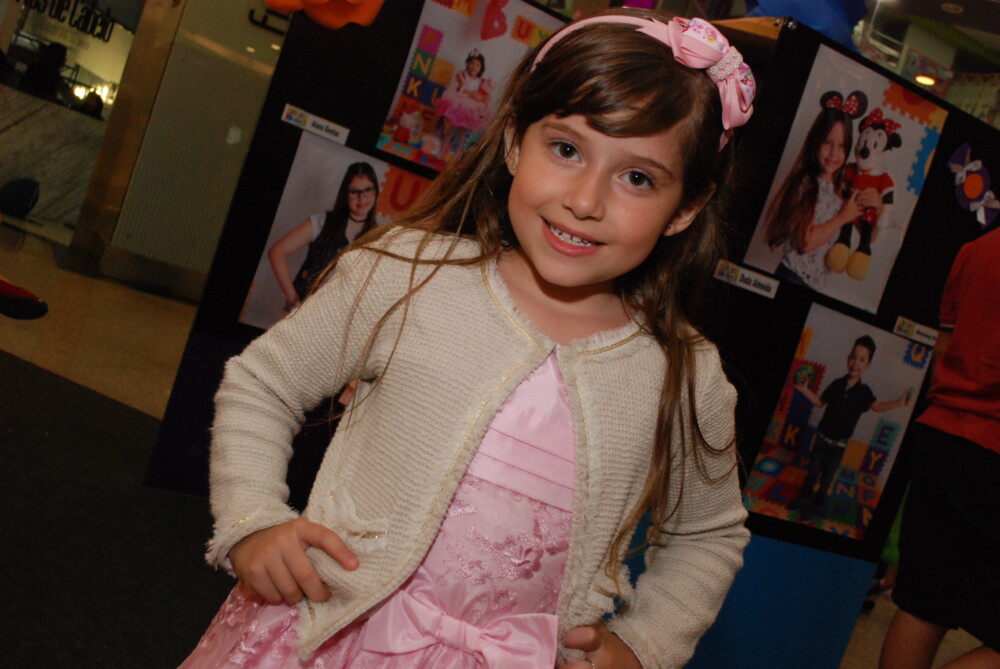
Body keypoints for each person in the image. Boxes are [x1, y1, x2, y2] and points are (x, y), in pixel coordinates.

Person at [181, 10, 756, 669]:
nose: (586, 200)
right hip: (325, 636)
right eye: (566, 150)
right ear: (513, 142)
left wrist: (645, 643)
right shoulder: (406, 272)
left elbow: (707, 534)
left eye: (637, 178)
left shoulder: (686, 374)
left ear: (685, 207)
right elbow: (263, 383)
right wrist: (252, 516)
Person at [879, 228, 1000, 669]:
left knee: (924, 604)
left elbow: (943, 348)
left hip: (942, 437)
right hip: (991, 448)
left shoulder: (977, 249)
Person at [789, 335, 910, 516]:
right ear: (848, 359)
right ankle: (803, 498)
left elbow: (876, 407)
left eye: (861, 359)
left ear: (868, 365)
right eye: (853, 357)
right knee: (812, 472)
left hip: (839, 447)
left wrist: (899, 403)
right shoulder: (837, 384)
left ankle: (816, 504)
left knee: (827, 478)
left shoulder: (864, 393)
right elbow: (820, 402)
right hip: (821, 440)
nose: (855, 363)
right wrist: (804, 389)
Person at [764, 91, 866, 290]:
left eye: (841, 146)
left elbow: (868, 234)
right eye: (827, 142)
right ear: (816, 141)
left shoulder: (842, 189)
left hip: (815, 285)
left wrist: (877, 207)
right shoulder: (806, 183)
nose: (834, 153)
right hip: (792, 277)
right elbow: (807, 242)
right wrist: (843, 217)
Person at [267, 162, 379, 312]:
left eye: (368, 190)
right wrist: (293, 299)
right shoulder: (323, 222)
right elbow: (276, 252)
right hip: (305, 313)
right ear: (345, 194)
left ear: (376, 191)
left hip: (340, 318)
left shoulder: (380, 237)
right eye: (354, 192)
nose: (362, 198)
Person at [433, 49, 493, 159]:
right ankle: (441, 151)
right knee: (452, 129)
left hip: (471, 109)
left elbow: (482, 94)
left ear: (481, 68)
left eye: (477, 65)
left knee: (462, 133)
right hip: (460, 105)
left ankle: (457, 154)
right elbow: (462, 88)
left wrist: (484, 98)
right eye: (472, 64)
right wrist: (473, 94)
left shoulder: (480, 81)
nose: (474, 67)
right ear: (468, 63)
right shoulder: (463, 75)